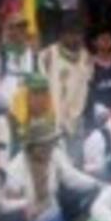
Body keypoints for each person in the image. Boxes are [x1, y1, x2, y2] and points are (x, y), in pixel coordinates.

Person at [3, 121, 102, 221]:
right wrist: (26, 205)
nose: (48, 147)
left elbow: (72, 178)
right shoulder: (15, 167)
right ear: (32, 146)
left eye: (50, 143)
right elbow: (5, 204)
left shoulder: (55, 154)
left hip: (51, 217)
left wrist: (97, 183)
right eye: (43, 144)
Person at [39, 16, 91, 157]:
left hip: (77, 121)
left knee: (76, 164)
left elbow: (86, 88)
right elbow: (41, 90)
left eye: (79, 34)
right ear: (61, 35)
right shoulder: (47, 55)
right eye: (71, 34)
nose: (76, 38)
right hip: (52, 120)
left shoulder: (86, 57)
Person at [0, 11, 39, 116]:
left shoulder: (32, 55)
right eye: (15, 27)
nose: (20, 31)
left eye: (23, 27)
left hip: (28, 111)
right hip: (3, 111)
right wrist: (13, 106)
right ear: (7, 30)